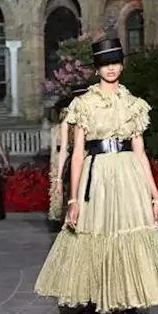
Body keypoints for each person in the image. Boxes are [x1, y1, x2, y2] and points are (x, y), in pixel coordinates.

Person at [34, 37, 158, 314]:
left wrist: (155, 197)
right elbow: (77, 155)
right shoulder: (83, 103)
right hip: (95, 175)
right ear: (96, 68)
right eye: (104, 63)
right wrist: (73, 198)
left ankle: (129, 301)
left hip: (128, 176)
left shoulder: (133, 103)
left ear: (121, 65)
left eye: (115, 62)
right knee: (95, 235)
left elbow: (141, 153)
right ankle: (97, 301)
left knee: (129, 236)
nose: (111, 68)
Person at [48, 85, 91, 231]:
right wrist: (58, 178)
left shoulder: (95, 117)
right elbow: (63, 150)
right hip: (76, 160)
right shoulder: (67, 123)